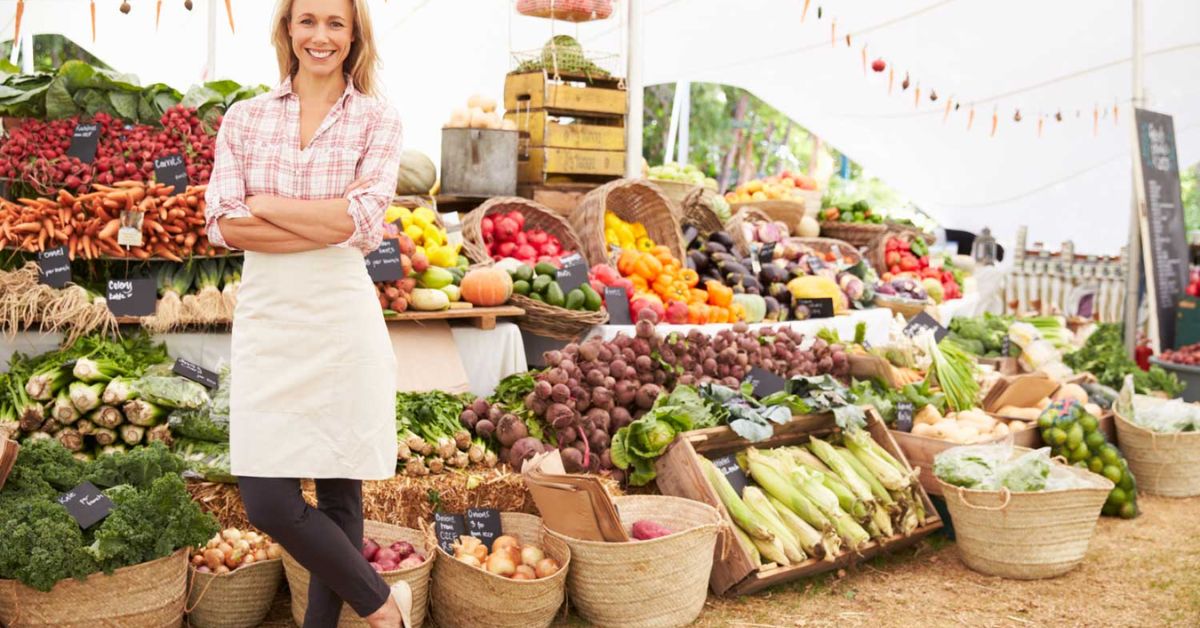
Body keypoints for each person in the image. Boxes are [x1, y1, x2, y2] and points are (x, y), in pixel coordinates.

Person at [203, 0, 408, 626]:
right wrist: (322, 221)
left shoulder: (377, 119)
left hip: (342, 319)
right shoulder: (245, 117)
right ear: (288, 29)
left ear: (353, 36)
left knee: (341, 488)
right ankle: (383, 607)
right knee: (266, 499)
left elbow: (363, 221)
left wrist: (267, 204)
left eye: (335, 23)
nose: (320, 35)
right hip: (270, 321)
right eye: (308, 20)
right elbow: (224, 225)